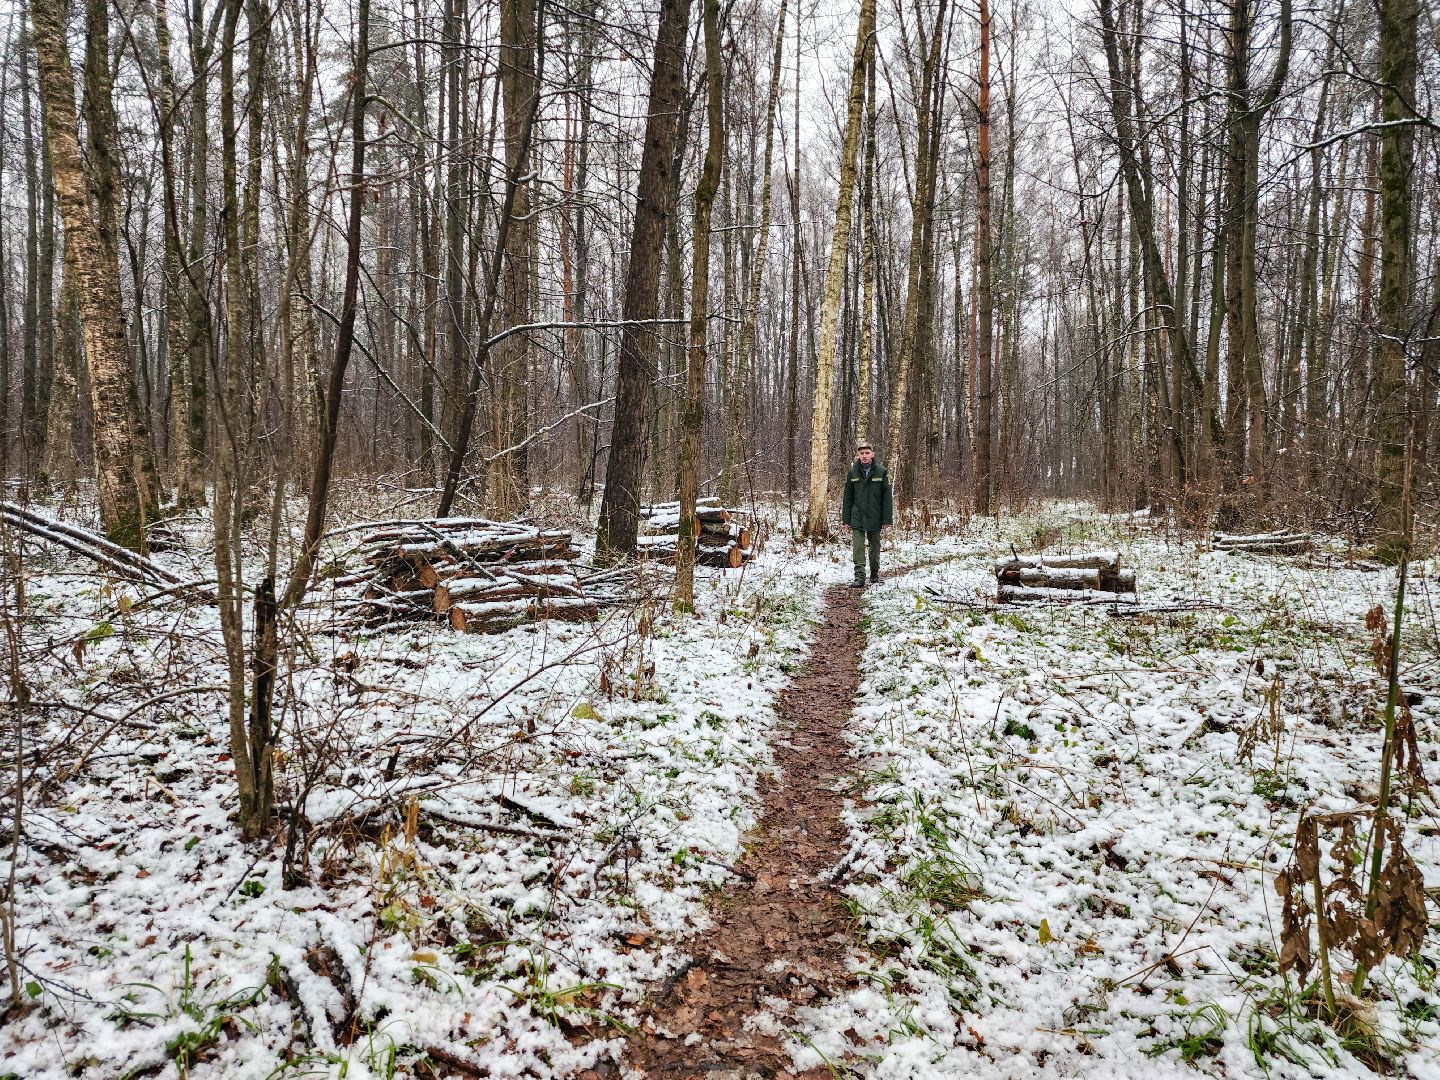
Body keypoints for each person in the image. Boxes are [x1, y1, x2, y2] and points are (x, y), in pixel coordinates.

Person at [840, 442, 893, 587]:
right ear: (859, 455)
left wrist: (887, 519)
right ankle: (859, 576)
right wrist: (846, 520)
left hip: (876, 516)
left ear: (872, 454)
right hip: (857, 515)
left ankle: (874, 573)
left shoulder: (882, 472)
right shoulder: (853, 473)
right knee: (858, 547)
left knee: (874, 546)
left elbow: (887, 498)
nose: (864, 456)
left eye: (867, 453)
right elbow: (847, 498)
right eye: (862, 453)